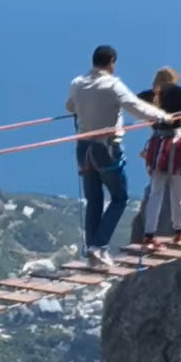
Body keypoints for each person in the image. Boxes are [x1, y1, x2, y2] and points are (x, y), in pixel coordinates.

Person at [66, 45, 171, 269]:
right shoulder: (113, 85)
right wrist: (164, 116)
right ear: (111, 61)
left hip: (83, 147)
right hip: (106, 149)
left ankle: (92, 252)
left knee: (93, 200)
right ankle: (99, 246)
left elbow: (70, 106)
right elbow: (136, 107)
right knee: (119, 198)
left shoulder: (77, 83)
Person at [137, 68, 181, 249]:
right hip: (176, 145)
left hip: (157, 145)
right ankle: (179, 232)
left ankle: (149, 235)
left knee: (156, 192)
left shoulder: (147, 95)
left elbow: (132, 104)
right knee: (178, 193)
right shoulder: (177, 92)